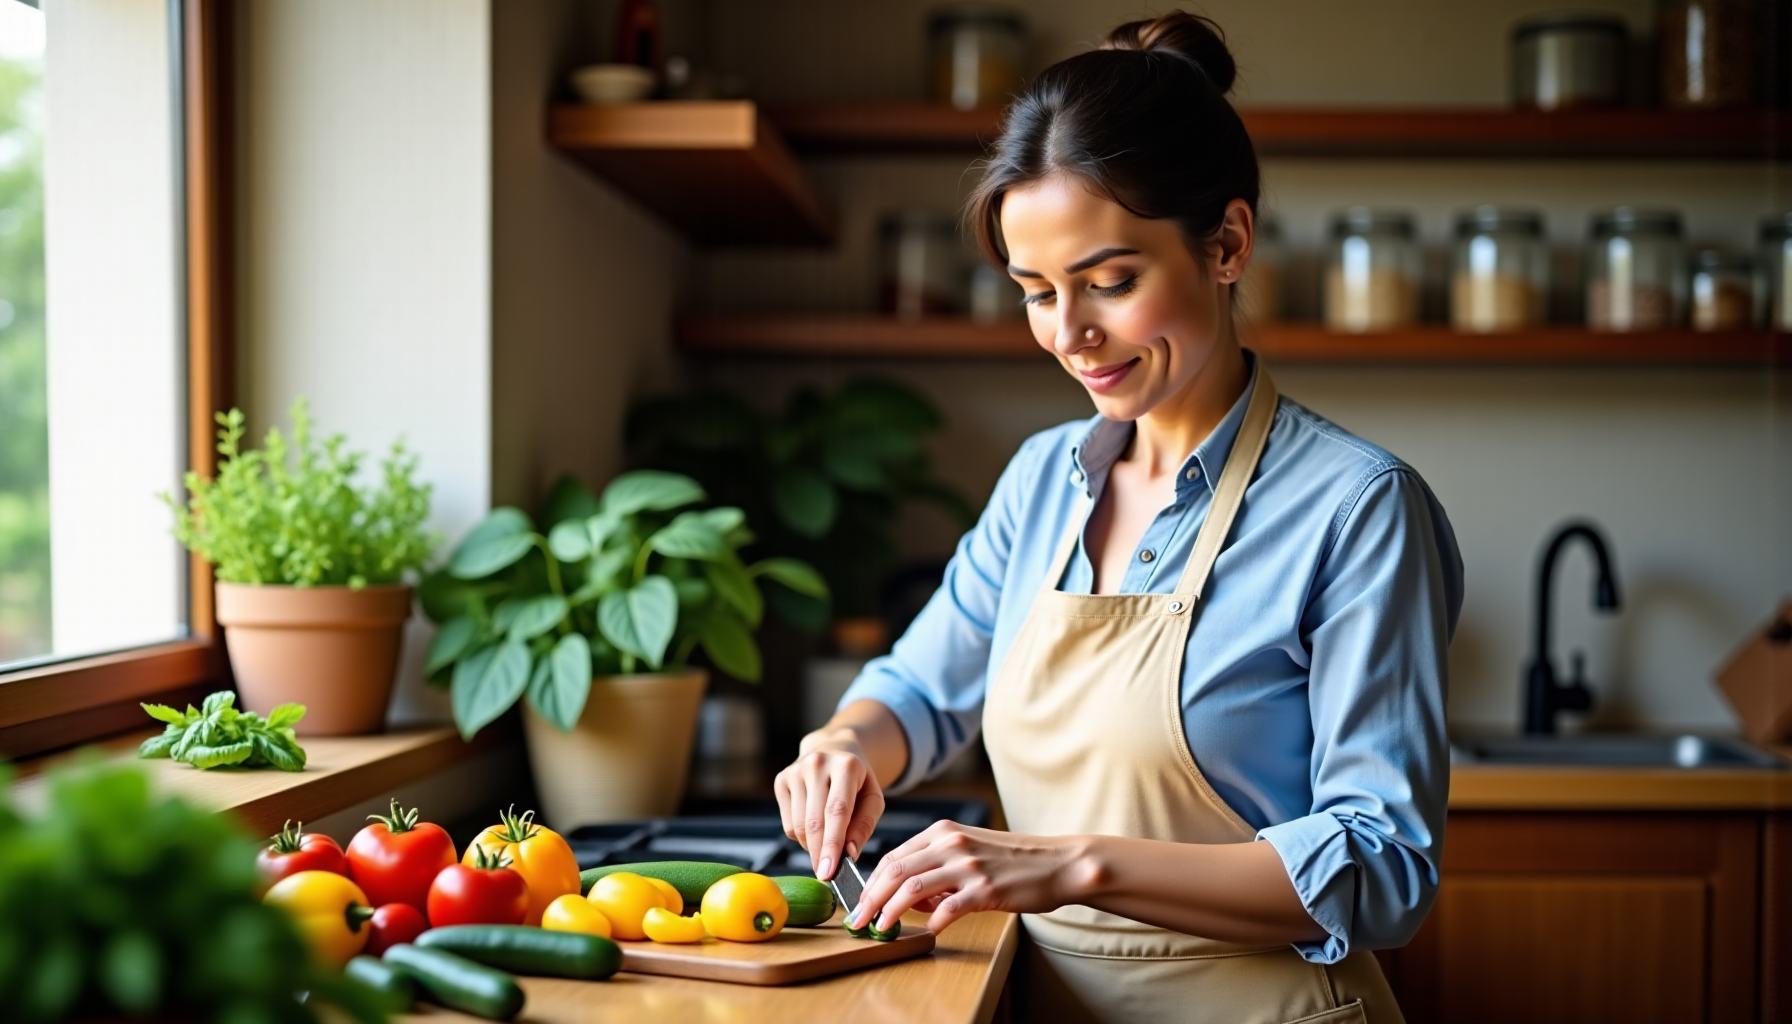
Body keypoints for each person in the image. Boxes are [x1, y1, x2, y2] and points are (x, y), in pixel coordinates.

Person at [773, 12, 1462, 1023]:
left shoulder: (1357, 509)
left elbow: (1384, 864)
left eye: (1110, 283)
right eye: (1036, 292)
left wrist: (1074, 865)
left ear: (1227, 244)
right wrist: (842, 745)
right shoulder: (1041, 481)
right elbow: (922, 689)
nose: (1070, 334)